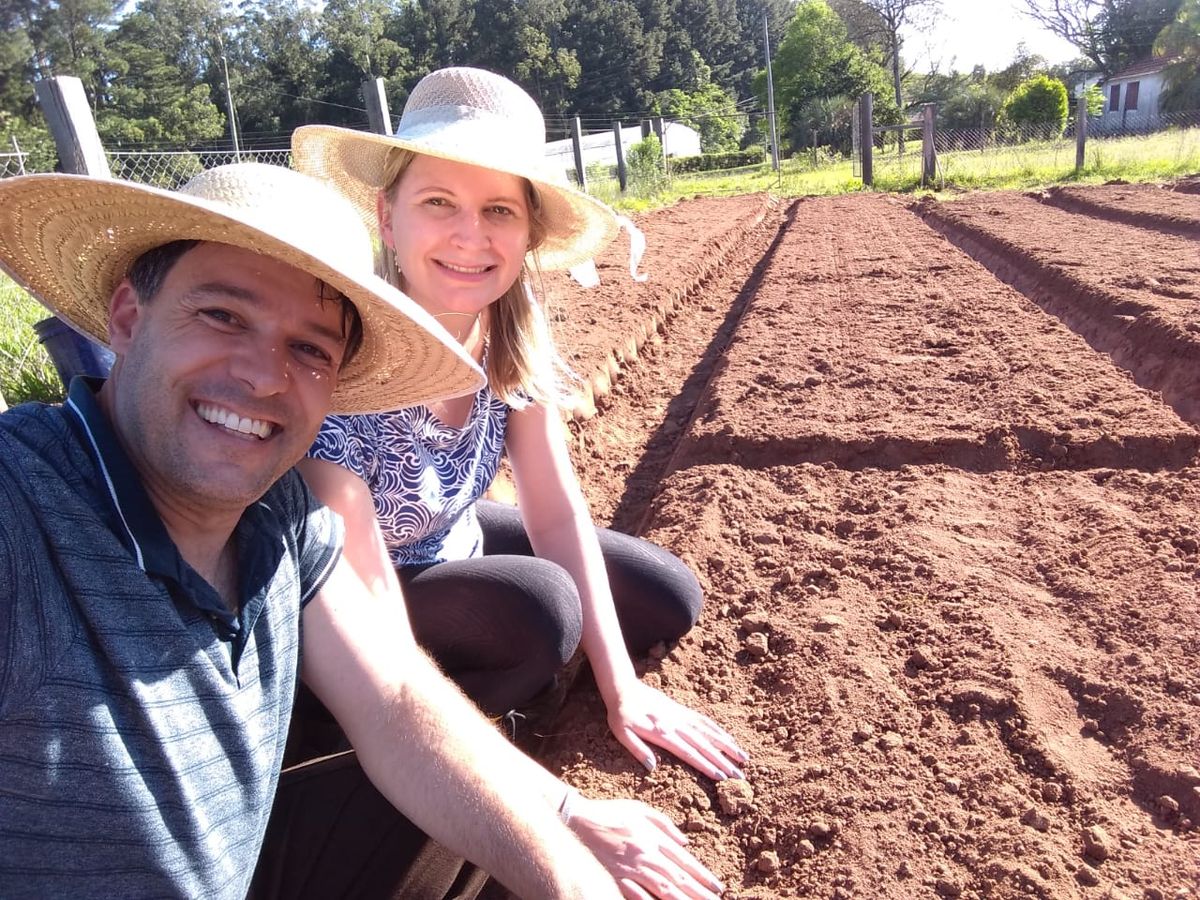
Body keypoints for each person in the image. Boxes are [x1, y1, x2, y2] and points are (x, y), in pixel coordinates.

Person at [0, 162, 725, 899]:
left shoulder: (280, 518)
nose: (262, 375)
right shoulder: (22, 512)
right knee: (535, 609)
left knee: (494, 793)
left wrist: (571, 839)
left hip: (266, 831)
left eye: (311, 348)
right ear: (126, 317)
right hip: (391, 582)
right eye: (222, 315)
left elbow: (401, 699)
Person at [291, 67, 748, 784]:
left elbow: (555, 509)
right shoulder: (350, 364)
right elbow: (367, 608)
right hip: (349, 606)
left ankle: (534, 681)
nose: (471, 236)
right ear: (387, 215)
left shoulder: (510, 330)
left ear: (528, 228)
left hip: (449, 540)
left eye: (499, 210)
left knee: (666, 596)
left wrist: (622, 686)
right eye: (439, 201)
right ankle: (440, 748)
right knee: (541, 615)